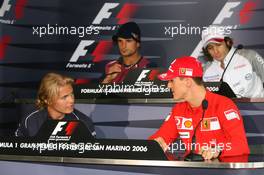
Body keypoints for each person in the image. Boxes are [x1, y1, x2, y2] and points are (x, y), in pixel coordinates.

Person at [149, 56, 250, 160]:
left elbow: (241, 145)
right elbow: (160, 138)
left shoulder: (223, 105)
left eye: (171, 80)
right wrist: (155, 144)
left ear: (188, 82)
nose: (168, 86)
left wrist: (218, 150)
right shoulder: (179, 109)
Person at [15, 73, 96, 137]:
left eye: (72, 94)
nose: (71, 100)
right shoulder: (30, 121)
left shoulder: (83, 122)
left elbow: (91, 154)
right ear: (47, 100)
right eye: (64, 97)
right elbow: (18, 151)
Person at [202, 25, 264, 98]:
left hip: (255, 108)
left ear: (228, 42)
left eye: (218, 45)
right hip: (223, 108)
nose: (215, 51)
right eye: (210, 48)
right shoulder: (206, 69)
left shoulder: (249, 56)